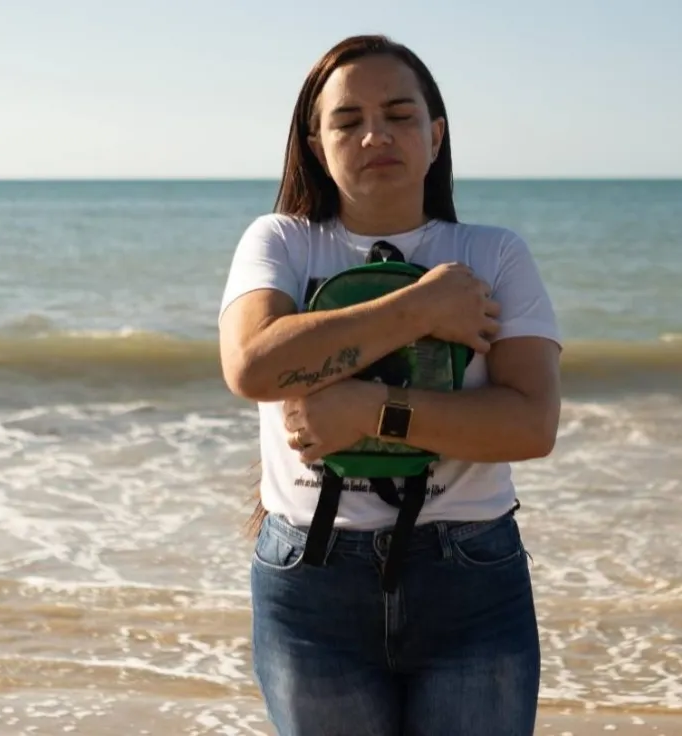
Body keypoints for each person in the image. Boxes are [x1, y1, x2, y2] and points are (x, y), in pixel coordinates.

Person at [217, 33, 562, 736]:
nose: (376, 133)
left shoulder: (493, 254)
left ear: (436, 137)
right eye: (347, 120)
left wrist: (375, 410)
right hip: (309, 581)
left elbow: (530, 425)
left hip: (468, 571)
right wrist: (420, 309)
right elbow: (253, 366)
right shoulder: (281, 243)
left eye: (401, 115)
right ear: (315, 142)